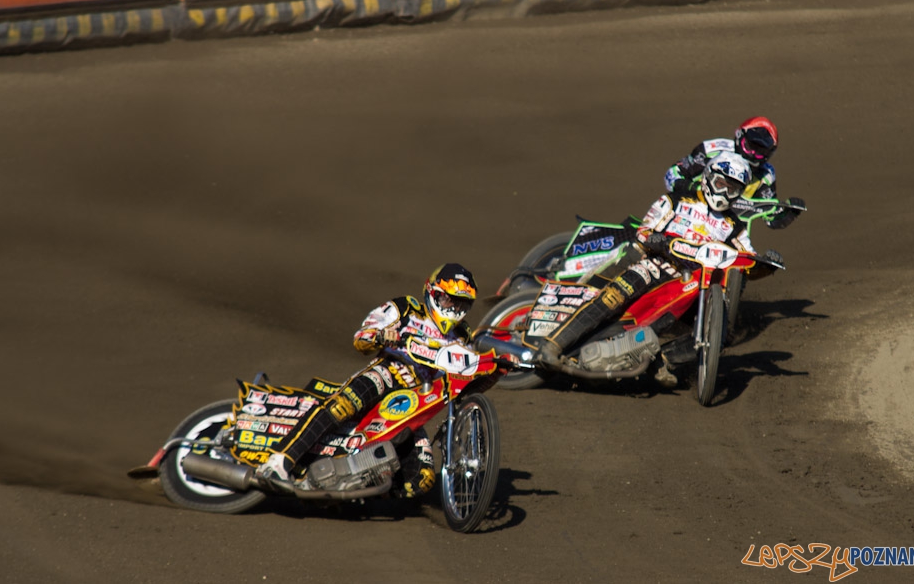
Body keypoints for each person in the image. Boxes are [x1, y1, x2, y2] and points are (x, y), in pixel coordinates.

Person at [533, 152, 759, 387]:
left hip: (692, 285)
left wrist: (764, 263)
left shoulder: (735, 226)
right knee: (614, 297)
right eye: (721, 184)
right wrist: (655, 240)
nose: (724, 192)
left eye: (732, 189)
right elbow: (643, 231)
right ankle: (552, 344)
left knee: (720, 334)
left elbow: (748, 258)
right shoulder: (676, 200)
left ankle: (661, 361)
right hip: (655, 264)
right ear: (709, 178)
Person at [256, 263, 479, 494]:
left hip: (417, 401)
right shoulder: (406, 308)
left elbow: (470, 375)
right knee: (343, 404)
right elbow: (361, 337)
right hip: (387, 373)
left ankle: (363, 492)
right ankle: (279, 462)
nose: (453, 308)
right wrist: (382, 336)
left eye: (461, 303)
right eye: (448, 300)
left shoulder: (463, 336)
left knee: (422, 479)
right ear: (432, 293)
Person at [664, 116, 804, 230]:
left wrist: (787, 214)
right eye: (750, 147)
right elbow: (672, 174)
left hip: (727, 232)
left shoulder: (766, 175)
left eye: (760, 151)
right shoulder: (710, 151)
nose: (753, 154)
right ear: (739, 137)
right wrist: (690, 188)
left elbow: (770, 217)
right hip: (686, 217)